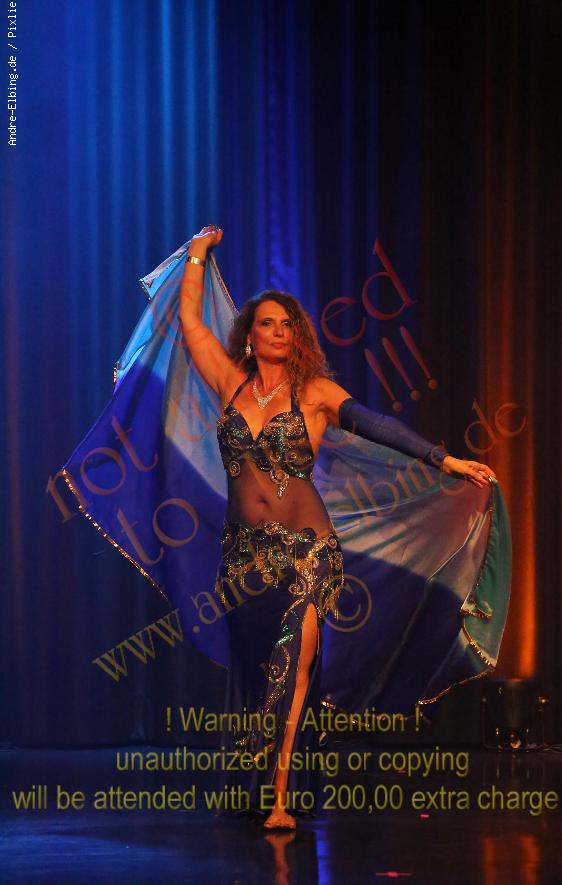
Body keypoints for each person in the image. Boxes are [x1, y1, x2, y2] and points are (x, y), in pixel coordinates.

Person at [61, 225, 511, 833]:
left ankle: (279, 798)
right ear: (249, 335)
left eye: (287, 324)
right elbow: (190, 323)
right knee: (256, 669)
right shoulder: (228, 382)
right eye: (267, 323)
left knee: (293, 667)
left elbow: (377, 425)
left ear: (297, 336)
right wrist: (196, 256)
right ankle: (259, 784)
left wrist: (443, 459)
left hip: (308, 550)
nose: (278, 331)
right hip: (243, 556)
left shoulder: (315, 393)